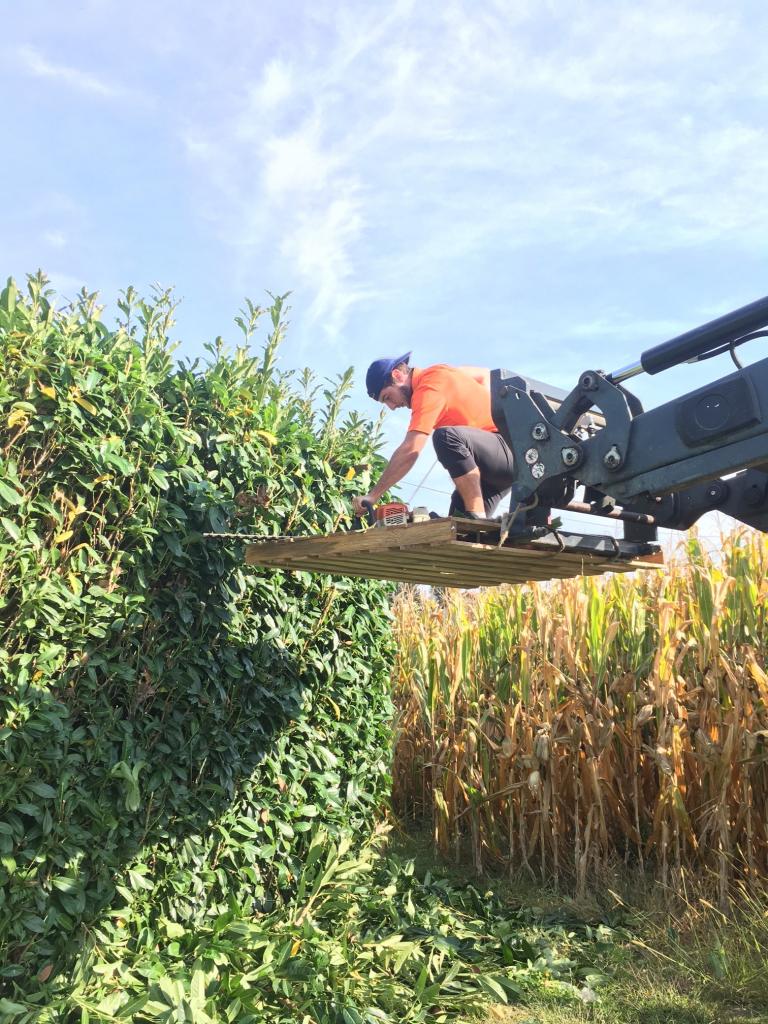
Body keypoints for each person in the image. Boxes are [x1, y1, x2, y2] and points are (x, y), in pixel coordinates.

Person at [352, 352, 515, 520]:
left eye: (387, 397)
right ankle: (476, 519)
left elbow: (411, 449)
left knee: (446, 437)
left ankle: (478, 516)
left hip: (508, 450)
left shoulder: (429, 385)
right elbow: (484, 375)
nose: (392, 407)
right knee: (459, 528)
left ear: (397, 375)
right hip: (491, 470)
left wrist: (373, 495)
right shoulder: (444, 373)